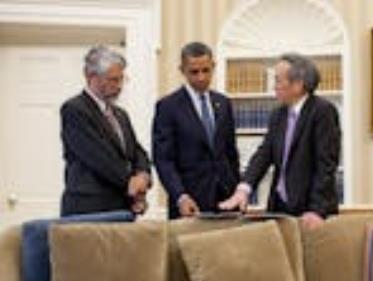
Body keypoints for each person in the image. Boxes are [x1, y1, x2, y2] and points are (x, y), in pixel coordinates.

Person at [219, 53, 341, 229]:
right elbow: (264, 154)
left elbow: (326, 165)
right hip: (278, 208)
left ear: (298, 85)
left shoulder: (322, 111)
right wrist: (243, 189)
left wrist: (317, 210)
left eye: (277, 80)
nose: (273, 86)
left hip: (310, 212)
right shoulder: (278, 114)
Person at [60, 45, 151, 217]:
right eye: (113, 80)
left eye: (121, 79)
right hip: (88, 210)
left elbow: (137, 152)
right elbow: (100, 158)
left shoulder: (120, 114)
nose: (119, 86)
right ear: (90, 76)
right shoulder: (74, 109)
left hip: (121, 207)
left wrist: (143, 176)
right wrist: (131, 184)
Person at [152, 42, 240, 218]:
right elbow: (164, 160)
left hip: (226, 201)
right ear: (182, 70)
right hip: (189, 203)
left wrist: (237, 191)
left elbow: (231, 153)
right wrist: (180, 196)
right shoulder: (168, 107)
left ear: (213, 67)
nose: (201, 77)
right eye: (194, 72)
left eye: (206, 70)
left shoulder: (223, 103)